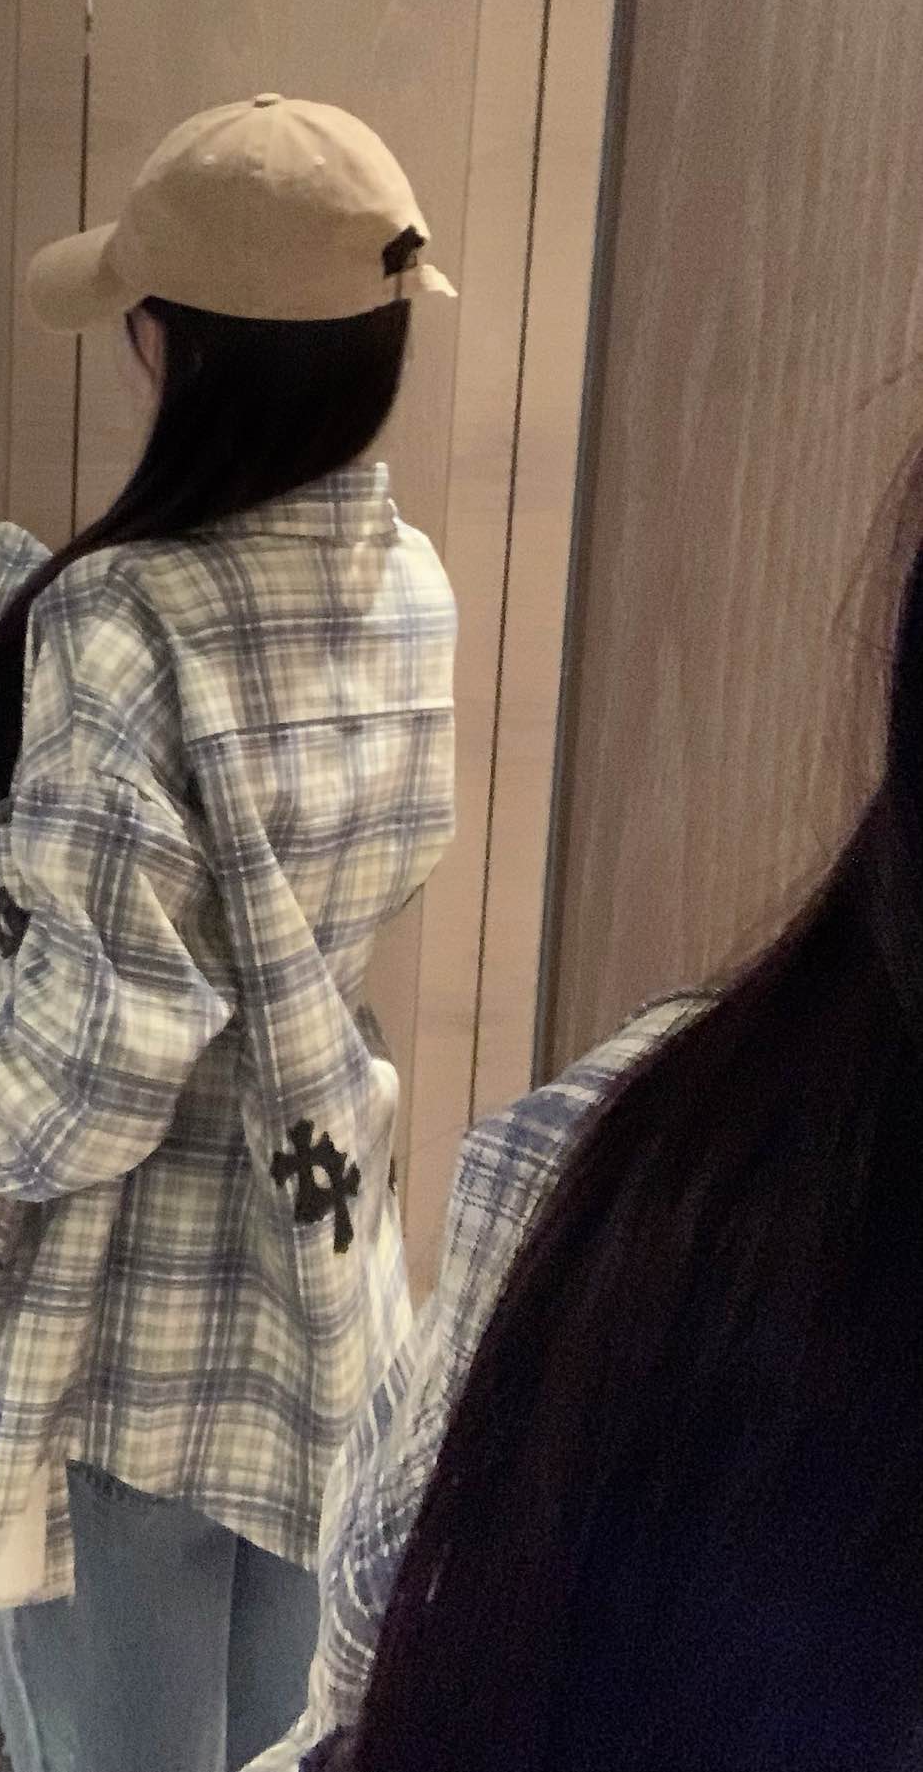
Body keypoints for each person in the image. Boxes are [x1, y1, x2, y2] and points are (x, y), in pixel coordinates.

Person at [0, 95, 460, 1772]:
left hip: (123, 1328)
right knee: (288, 1742)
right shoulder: (404, 581)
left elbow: (99, 1042)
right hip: (320, 1284)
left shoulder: (123, 617)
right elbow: (184, 675)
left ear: (175, 348)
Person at [255, 436, 923, 1772]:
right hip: (321, 1164)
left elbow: (108, 1014)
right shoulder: (405, 578)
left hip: (139, 1246)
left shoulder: (661, 1172)